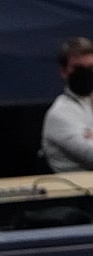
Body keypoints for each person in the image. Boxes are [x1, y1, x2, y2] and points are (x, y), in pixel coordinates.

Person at [41, 36, 93, 172]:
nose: (86, 74)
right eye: (78, 68)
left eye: (91, 68)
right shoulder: (60, 114)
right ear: (64, 72)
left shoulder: (89, 104)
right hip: (77, 191)